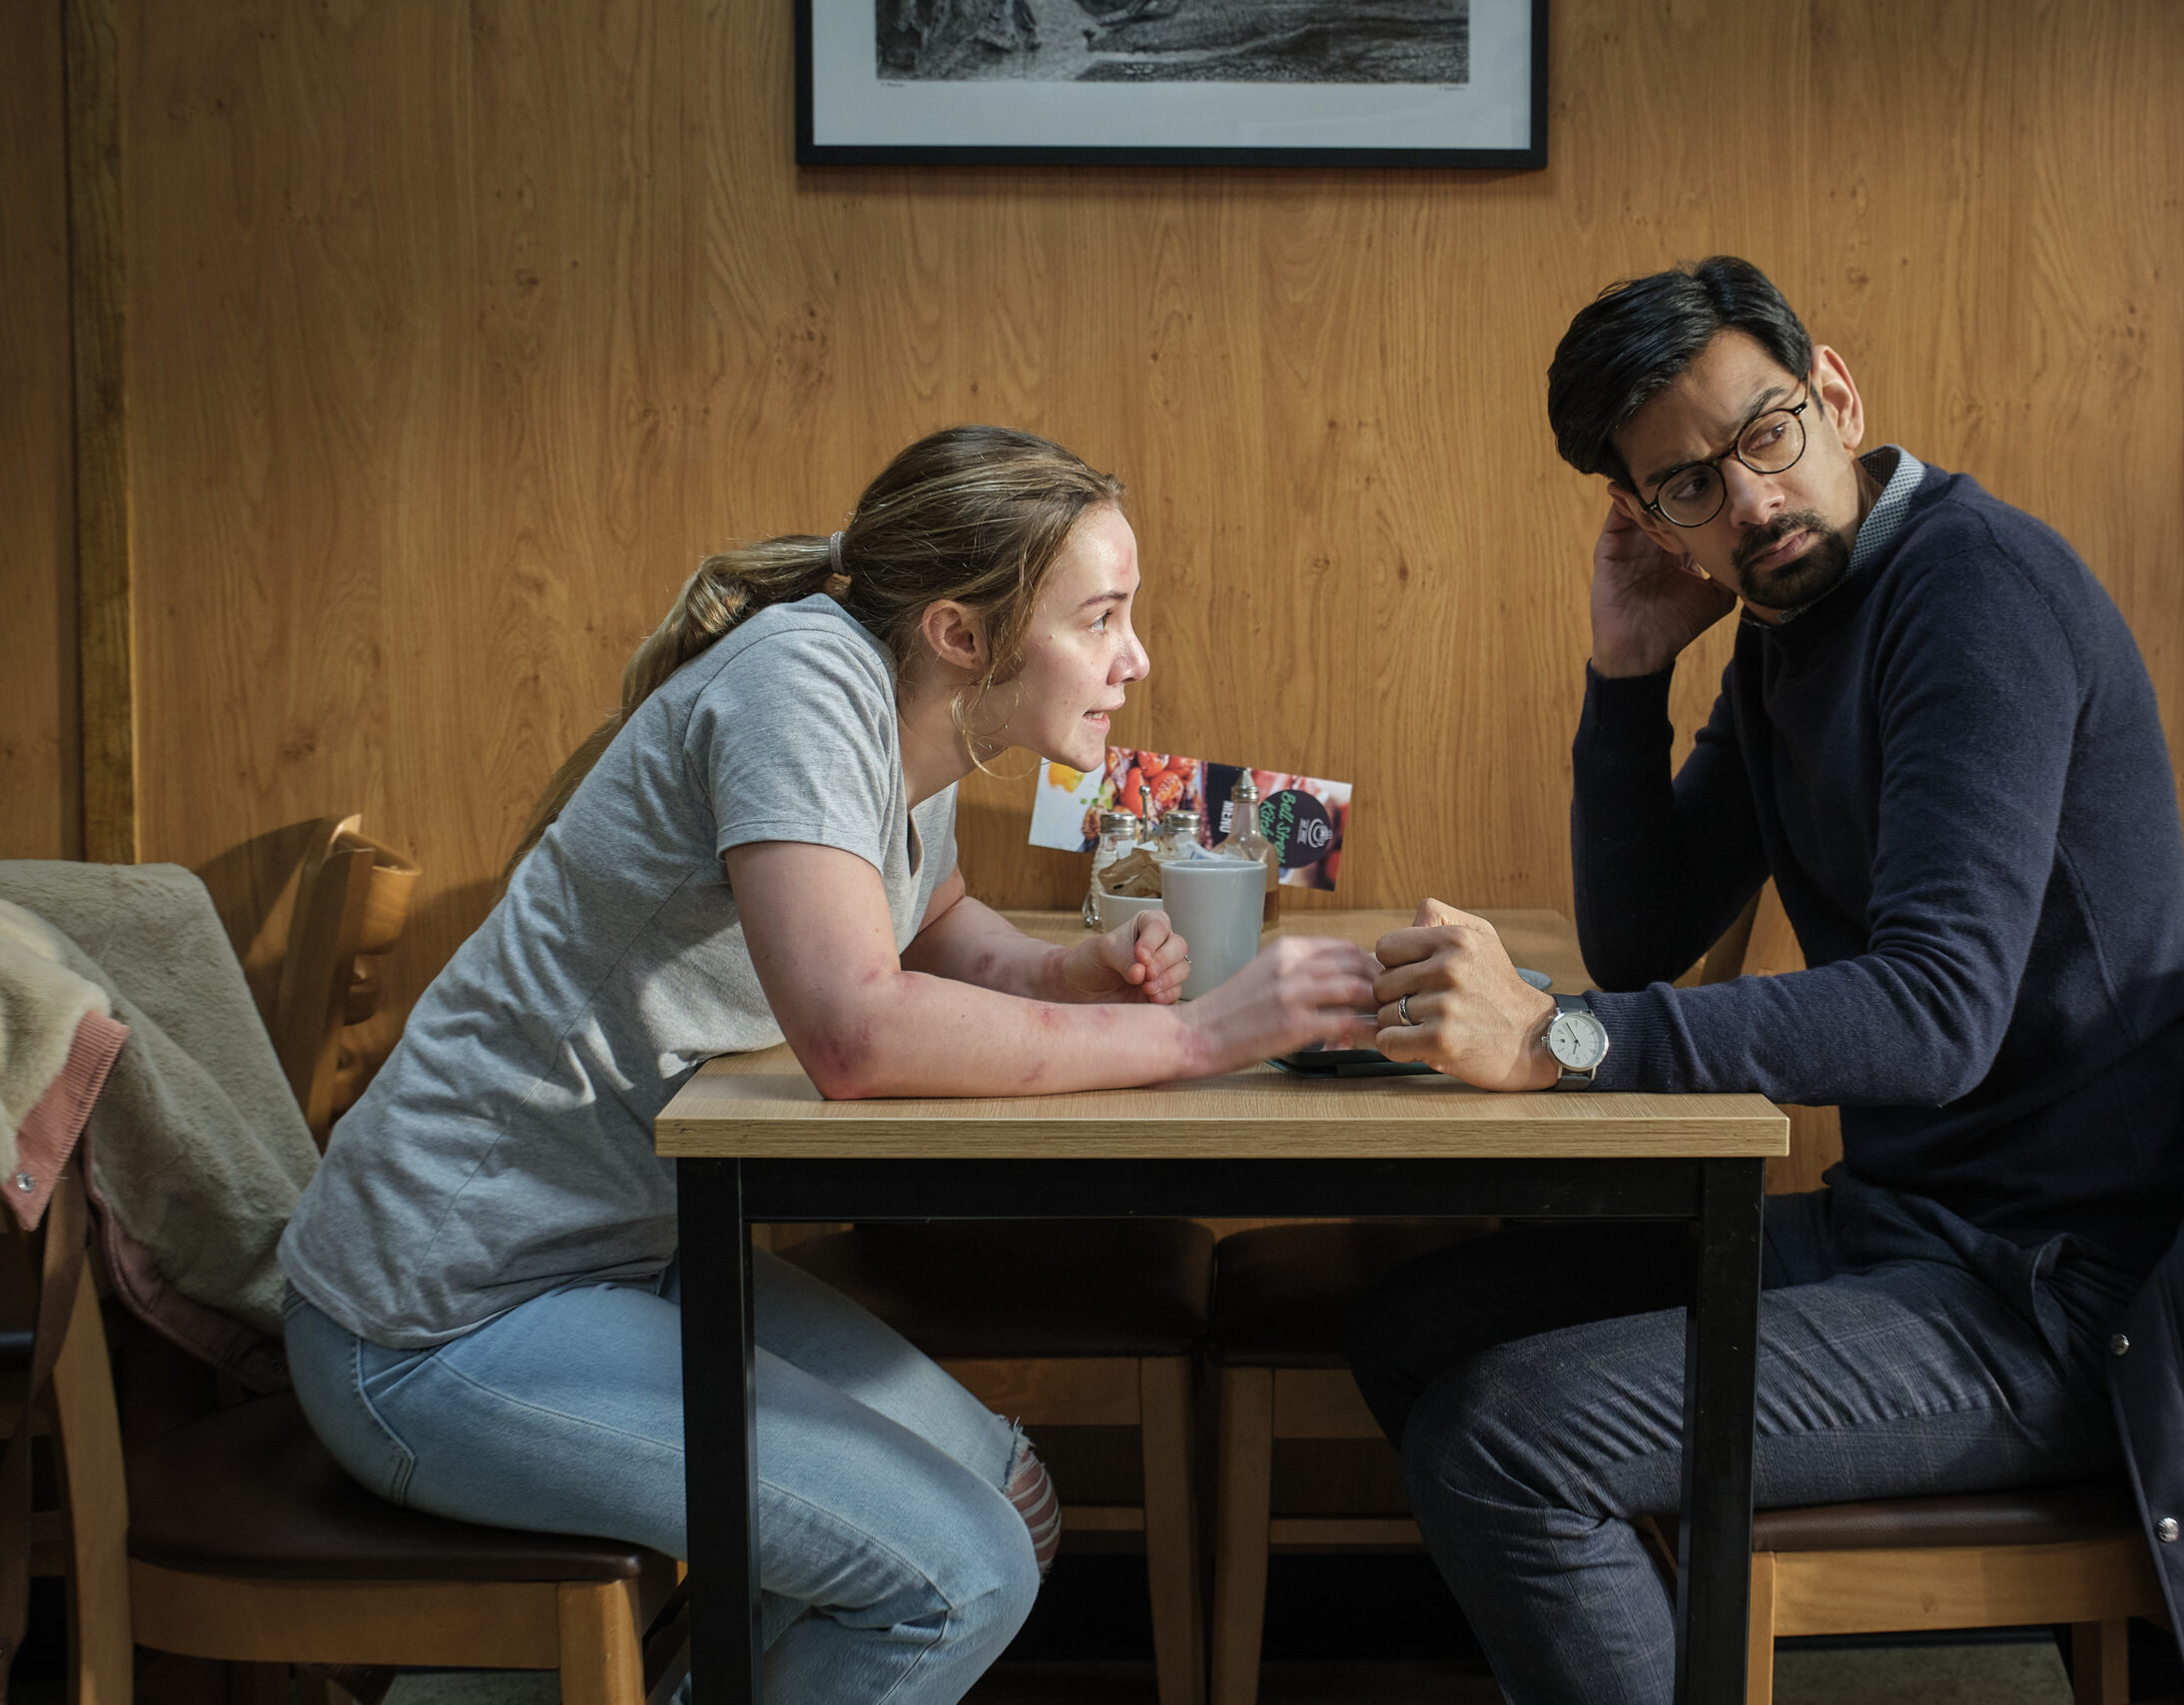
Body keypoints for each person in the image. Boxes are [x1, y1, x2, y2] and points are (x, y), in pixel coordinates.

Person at [277, 426, 1378, 1705]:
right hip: (435, 1320)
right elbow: (857, 1034)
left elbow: (942, 934)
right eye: (1103, 619)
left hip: (623, 1257)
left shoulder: (917, 719)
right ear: (964, 634)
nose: (1136, 659)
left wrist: (1075, 974)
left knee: (1004, 1503)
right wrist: (1202, 1037)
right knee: (956, 1577)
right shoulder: (802, 685)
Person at [1343, 259, 2184, 1703]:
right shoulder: (1789, 626)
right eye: (1686, 485)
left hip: (2060, 1286)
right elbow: (1644, 933)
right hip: (1917, 1230)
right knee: (1417, 1329)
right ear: (1643, 515)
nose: (1748, 502)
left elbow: (1934, 1014)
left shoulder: (1969, 595)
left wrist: (1557, 1037)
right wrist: (1624, 678)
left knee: (1500, 1435)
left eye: (1765, 434)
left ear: (1837, 394)